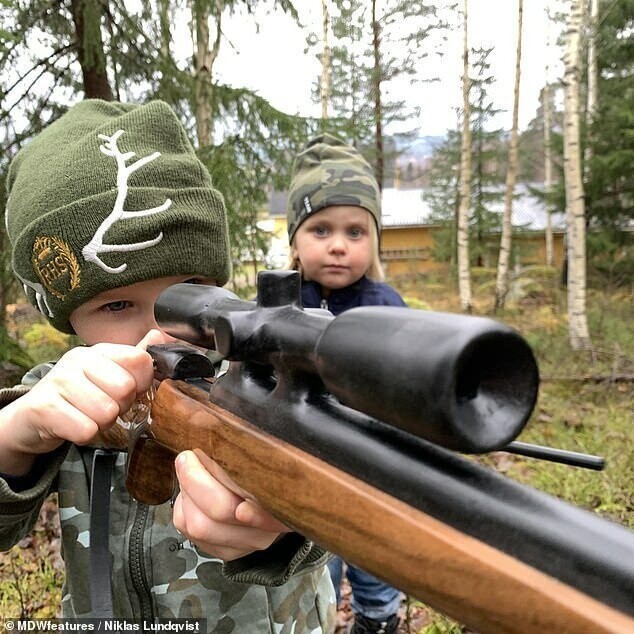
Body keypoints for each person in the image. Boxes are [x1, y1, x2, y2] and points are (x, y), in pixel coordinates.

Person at [0, 99, 335, 631]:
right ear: (68, 319)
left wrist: (281, 528)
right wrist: (17, 434)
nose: (159, 334)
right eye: (116, 305)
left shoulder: (261, 391)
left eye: (188, 296)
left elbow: (331, 507)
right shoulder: (57, 397)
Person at [286, 133, 405, 634]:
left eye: (356, 231)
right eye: (321, 229)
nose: (338, 244)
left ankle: (376, 622)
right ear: (294, 239)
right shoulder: (281, 306)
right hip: (304, 472)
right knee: (317, 567)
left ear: (375, 241)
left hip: (373, 470)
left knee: (377, 563)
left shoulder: (387, 306)